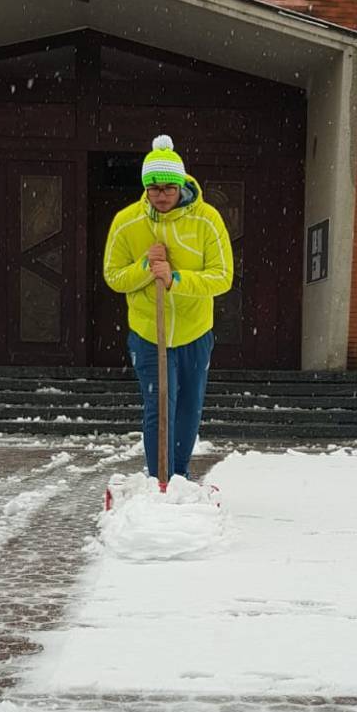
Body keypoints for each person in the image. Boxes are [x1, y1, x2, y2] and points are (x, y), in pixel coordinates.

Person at [103, 135, 233, 481]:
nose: (161, 195)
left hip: (195, 331)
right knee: (159, 407)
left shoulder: (207, 220)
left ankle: (179, 477)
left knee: (188, 409)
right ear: (145, 188)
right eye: (154, 187)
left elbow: (222, 278)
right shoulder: (127, 222)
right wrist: (146, 268)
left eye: (169, 187)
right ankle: (159, 478)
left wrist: (176, 279)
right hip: (148, 332)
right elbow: (113, 276)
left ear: (182, 184)